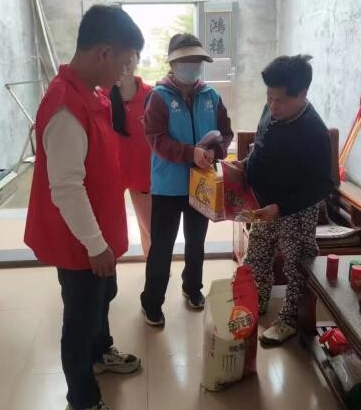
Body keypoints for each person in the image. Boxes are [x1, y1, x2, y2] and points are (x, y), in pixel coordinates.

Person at [24, 5, 144, 410]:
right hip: (80, 240)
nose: (125, 73)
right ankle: (82, 399)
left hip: (98, 230)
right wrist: (95, 244)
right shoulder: (65, 106)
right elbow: (66, 188)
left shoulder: (89, 93)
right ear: (103, 53)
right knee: (79, 318)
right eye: (123, 63)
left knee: (103, 296)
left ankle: (100, 352)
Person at [236, 54, 333, 346]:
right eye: (269, 97)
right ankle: (257, 303)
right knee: (256, 259)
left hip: (294, 211)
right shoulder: (271, 109)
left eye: (280, 100)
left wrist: (280, 208)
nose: (272, 105)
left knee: (296, 267)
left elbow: (322, 185)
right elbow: (260, 147)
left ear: (302, 94)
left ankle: (290, 320)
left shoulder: (314, 131)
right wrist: (243, 166)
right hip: (262, 205)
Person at [140, 33, 234, 327]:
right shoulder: (158, 97)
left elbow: (225, 132)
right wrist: (189, 153)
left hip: (201, 185)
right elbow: (156, 139)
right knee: (161, 247)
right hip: (167, 187)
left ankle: (192, 288)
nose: (191, 65)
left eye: (196, 60)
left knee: (196, 243)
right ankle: (152, 301)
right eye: (185, 60)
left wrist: (215, 151)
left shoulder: (211, 96)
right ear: (172, 64)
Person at [104, 54, 153, 258]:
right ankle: (107, 269)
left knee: (150, 227)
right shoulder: (101, 95)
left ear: (137, 58)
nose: (124, 61)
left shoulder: (151, 94)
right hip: (110, 172)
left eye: (129, 55)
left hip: (143, 169)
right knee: (108, 227)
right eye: (119, 54)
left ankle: (154, 268)